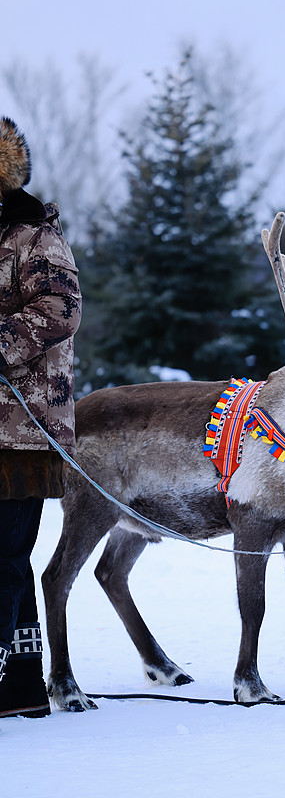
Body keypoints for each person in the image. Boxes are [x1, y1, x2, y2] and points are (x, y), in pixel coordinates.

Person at [0, 117, 82, 717]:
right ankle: (24, 686)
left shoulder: (34, 238)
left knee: (1, 556)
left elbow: (60, 308)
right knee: (7, 558)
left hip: (20, 429)